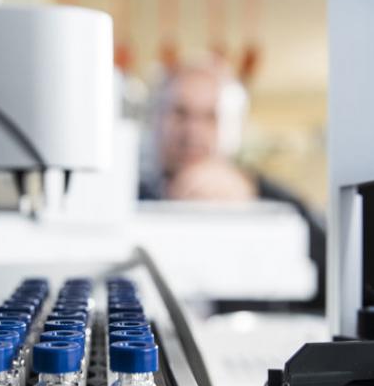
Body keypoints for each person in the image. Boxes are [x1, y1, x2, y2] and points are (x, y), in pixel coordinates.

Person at [139, 64, 326, 308]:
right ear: (156, 119)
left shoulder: (269, 197)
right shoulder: (130, 198)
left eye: (210, 116)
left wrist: (252, 193)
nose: (192, 130)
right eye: (180, 113)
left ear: (233, 127)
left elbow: (332, 276)